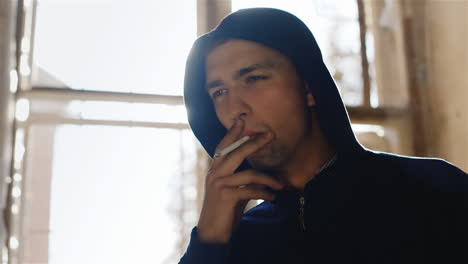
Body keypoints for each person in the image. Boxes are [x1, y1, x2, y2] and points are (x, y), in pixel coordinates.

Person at [179, 8, 467, 264]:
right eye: (219, 92)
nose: (234, 109)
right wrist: (208, 244)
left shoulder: (432, 189)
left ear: (308, 88)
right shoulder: (234, 245)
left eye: (253, 78)